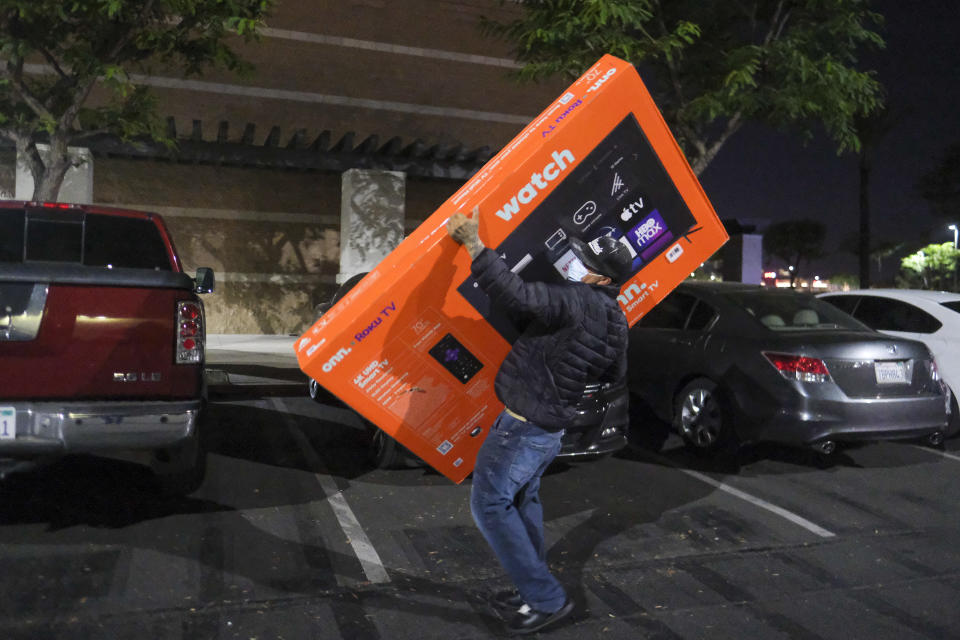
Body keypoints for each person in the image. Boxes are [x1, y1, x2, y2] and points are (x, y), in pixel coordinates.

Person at [446, 207, 631, 635]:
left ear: (602, 279)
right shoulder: (615, 318)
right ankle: (530, 589)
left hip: (523, 425)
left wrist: (473, 243)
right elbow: (612, 374)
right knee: (522, 501)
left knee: (489, 504)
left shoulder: (576, 299)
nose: (577, 265)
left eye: (587, 265)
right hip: (549, 429)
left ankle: (546, 600)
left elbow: (516, 295)